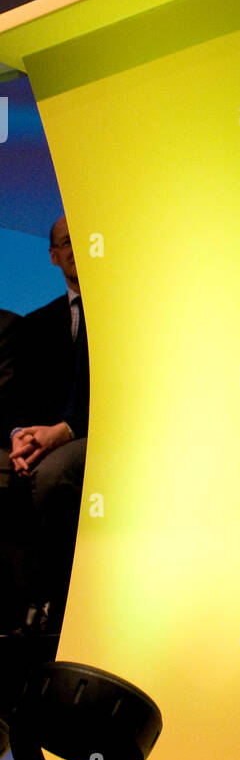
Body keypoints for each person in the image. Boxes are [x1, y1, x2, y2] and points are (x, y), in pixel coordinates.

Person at [7, 215, 89, 634]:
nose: (75, 248)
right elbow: (19, 399)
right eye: (65, 243)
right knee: (35, 470)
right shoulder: (36, 324)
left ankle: (51, 608)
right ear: (54, 256)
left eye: (83, 238)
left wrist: (61, 433)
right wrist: (21, 438)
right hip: (51, 440)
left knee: (53, 474)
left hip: (101, 436)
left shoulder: (125, 313)